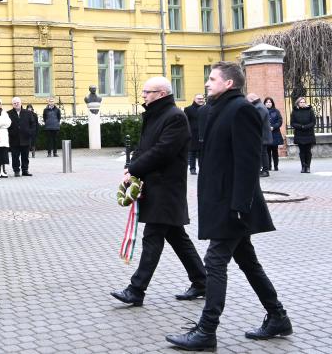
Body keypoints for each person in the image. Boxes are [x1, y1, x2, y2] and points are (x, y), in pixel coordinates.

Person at [166, 62, 292, 351]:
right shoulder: (215, 109)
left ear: (229, 84)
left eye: (212, 79)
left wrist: (240, 204)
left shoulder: (241, 110)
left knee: (215, 261)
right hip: (222, 201)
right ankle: (278, 317)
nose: (207, 83)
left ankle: (207, 330)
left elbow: (248, 162)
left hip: (233, 204)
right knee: (247, 261)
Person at [111, 77, 206, 307]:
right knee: (177, 237)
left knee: (152, 238)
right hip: (155, 186)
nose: (143, 95)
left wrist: (135, 167)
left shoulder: (175, 117)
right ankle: (202, 282)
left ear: (161, 93)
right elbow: (144, 147)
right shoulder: (155, 114)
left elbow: (162, 152)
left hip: (166, 188)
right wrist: (130, 168)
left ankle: (136, 289)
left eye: (147, 92)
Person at [7, 97, 36, 176]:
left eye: (18, 103)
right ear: (12, 104)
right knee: (15, 156)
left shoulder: (28, 113)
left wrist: (30, 132)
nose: (16, 104)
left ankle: (25, 170)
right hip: (14, 139)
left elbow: (33, 124)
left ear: (21, 103)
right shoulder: (8, 113)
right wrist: (11, 133)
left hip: (25, 138)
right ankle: (16, 171)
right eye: (14, 103)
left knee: (25, 156)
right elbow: (6, 126)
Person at [246, 93, 272, 178]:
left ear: (252, 99)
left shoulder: (259, 107)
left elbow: (257, 121)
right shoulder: (259, 106)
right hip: (262, 135)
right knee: (262, 152)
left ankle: (265, 171)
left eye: (248, 100)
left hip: (262, 135)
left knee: (263, 153)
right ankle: (262, 170)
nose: (247, 102)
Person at [290, 97, 316, 173]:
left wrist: (306, 127)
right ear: (298, 103)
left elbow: (313, 122)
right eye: (301, 102)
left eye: (303, 102)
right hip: (299, 134)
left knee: (308, 151)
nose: (302, 103)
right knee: (302, 151)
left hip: (309, 133)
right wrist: (301, 127)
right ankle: (303, 167)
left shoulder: (310, 111)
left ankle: (308, 167)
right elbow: (292, 123)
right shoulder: (295, 111)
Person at [183, 94, 205, 175]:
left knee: (202, 153)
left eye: (202, 99)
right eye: (199, 98)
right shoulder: (188, 109)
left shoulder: (205, 109)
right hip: (192, 134)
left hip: (203, 133)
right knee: (192, 152)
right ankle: (192, 169)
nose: (201, 100)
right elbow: (185, 122)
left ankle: (202, 168)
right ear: (194, 99)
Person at [263, 97, 283, 171]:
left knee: (275, 151)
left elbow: (280, 121)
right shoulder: (263, 111)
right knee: (267, 151)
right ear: (264, 103)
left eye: (270, 102)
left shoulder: (276, 111)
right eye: (267, 102)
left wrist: (273, 127)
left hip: (275, 133)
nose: (268, 103)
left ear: (272, 103)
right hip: (266, 134)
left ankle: (276, 165)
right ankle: (268, 166)